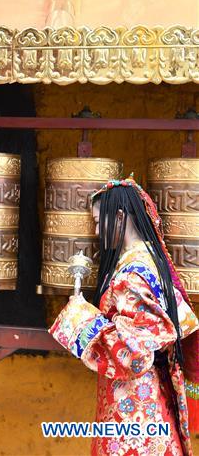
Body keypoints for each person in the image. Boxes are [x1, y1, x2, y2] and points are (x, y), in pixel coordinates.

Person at [51, 176, 199, 455]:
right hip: (152, 390)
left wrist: (79, 319)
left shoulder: (133, 274)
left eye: (97, 221)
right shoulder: (149, 262)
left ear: (119, 217)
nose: (95, 230)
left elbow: (133, 353)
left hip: (135, 402)